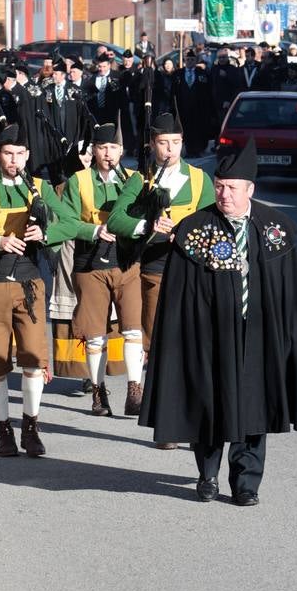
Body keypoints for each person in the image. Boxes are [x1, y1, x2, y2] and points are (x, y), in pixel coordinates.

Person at [140, 138, 297, 504]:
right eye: (219, 187)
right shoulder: (195, 229)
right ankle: (208, 475)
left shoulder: (275, 229)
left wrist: (292, 340)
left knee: (254, 408)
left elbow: (292, 295)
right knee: (210, 403)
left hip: (260, 337)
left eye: (232, 188)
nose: (224, 194)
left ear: (250, 189)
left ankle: (246, 482)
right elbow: (178, 296)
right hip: (209, 336)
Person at [0, 124, 75, 457]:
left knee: (34, 357)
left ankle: (30, 426)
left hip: (30, 281)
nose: (14, 160)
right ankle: (3, 430)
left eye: (20, 154)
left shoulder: (39, 187)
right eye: (8, 154)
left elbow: (69, 221)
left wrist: (46, 231)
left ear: (27, 155)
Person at [108, 112, 215, 447]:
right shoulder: (141, 180)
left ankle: (199, 421)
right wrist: (146, 226)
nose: (170, 149)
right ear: (152, 145)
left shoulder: (199, 180)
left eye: (176, 142)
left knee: (195, 345)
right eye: (163, 143)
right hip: (156, 271)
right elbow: (115, 220)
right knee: (159, 348)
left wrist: (185, 233)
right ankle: (165, 424)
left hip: (195, 272)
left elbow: (215, 226)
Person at [61, 123, 143, 416]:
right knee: (95, 335)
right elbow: (65, 222)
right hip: (90, 264)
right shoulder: (78, 181)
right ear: (93, 150)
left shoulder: (135, 179)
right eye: (102, 148)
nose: (108, 154)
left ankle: (135, 389)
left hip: (127, 263)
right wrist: (93, 230)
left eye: (114, 148)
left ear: (122, 150)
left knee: (133, 329)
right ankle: (98, 391)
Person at [172, 50, 211, 157]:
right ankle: (189, 150)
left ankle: (197, 150)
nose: (189, 61)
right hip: (183, 107)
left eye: (192, 60)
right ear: (185, 60)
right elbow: (173, 92)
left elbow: (208, 91)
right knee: (186, 129)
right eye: (188, 59)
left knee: (197, 129)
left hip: (198, 108)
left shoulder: (202, 73)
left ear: (196, 61)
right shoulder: (178, 74)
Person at [86, 54, 120, 125]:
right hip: (96, 113)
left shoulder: (116, 76)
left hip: (111, 113)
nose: (101, 69)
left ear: (109, 66)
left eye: (104, 66)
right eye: (100, 66)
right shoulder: (92, 78)